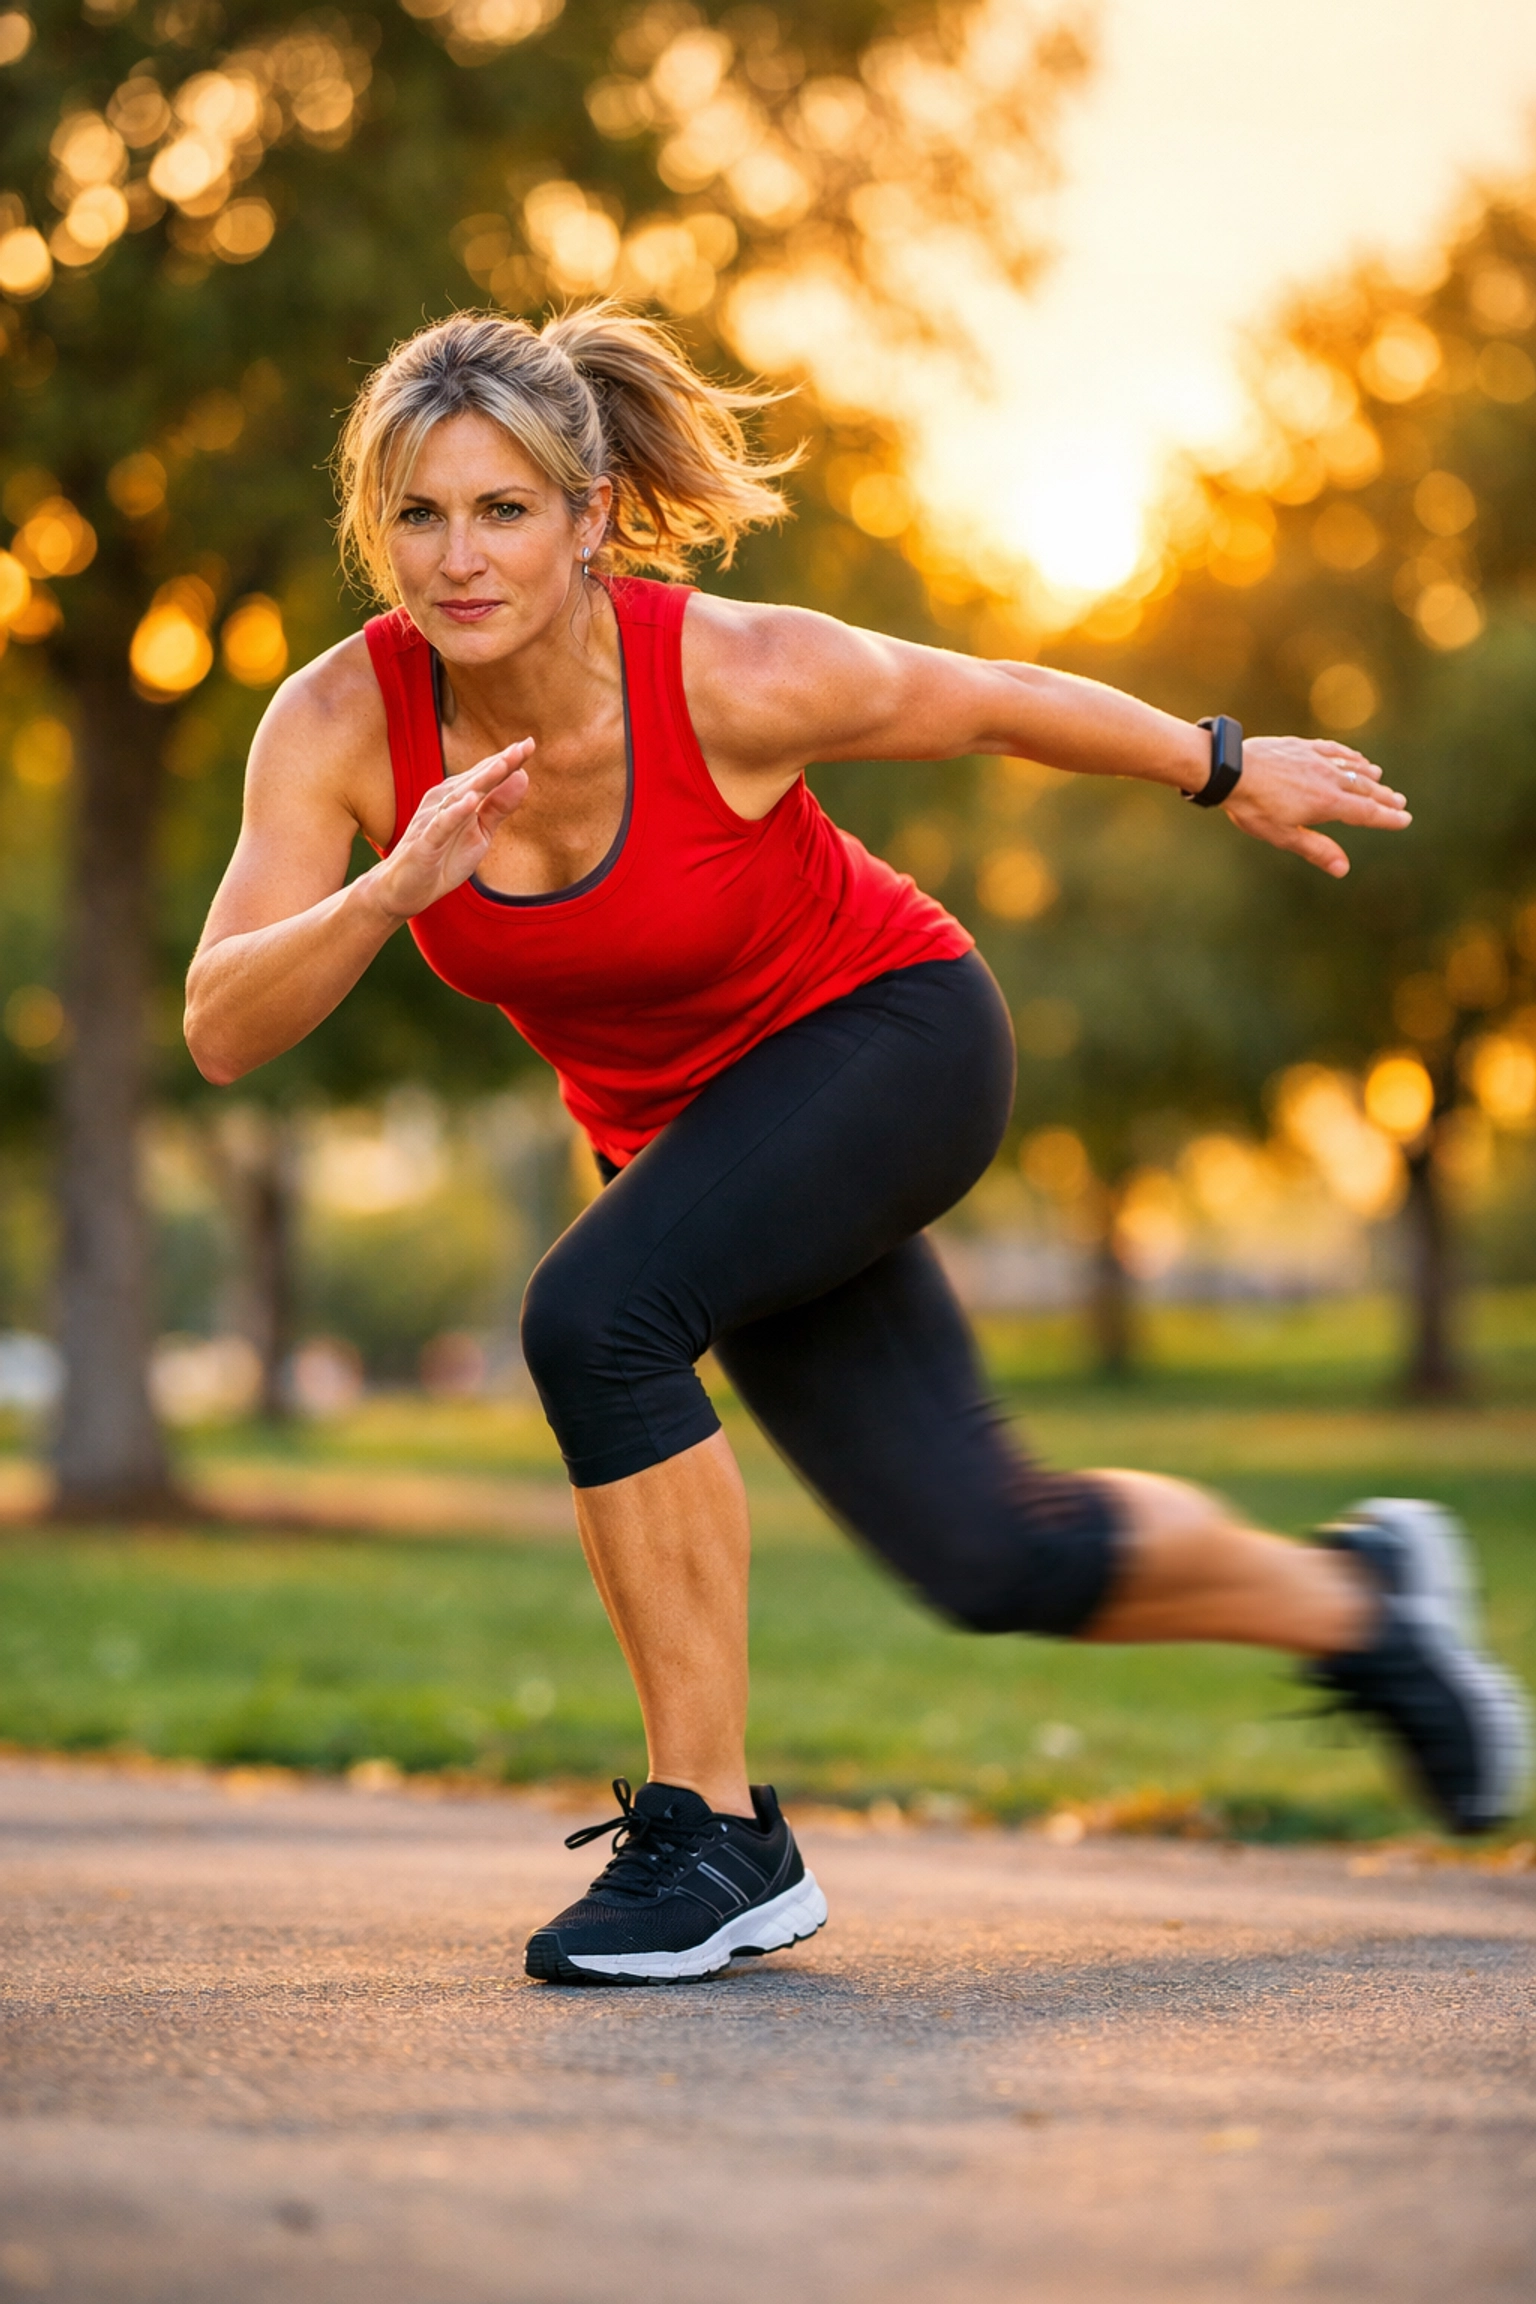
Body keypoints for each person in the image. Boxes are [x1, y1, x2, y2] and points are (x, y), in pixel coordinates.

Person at [186, 305, 1529, 1987]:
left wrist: (1221, 764)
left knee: (595, 1318)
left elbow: (986, 701)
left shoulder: (731, 671)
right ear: (377, 529)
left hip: (893, 1043)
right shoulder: (338, 724)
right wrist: (389, 892)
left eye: (504, 509)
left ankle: (715, 1836)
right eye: (421, 515)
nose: (459, 560)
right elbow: (223, 1024)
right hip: (699, 1143)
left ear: (591, 516)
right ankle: (1367, 1607)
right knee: (989, 1551)